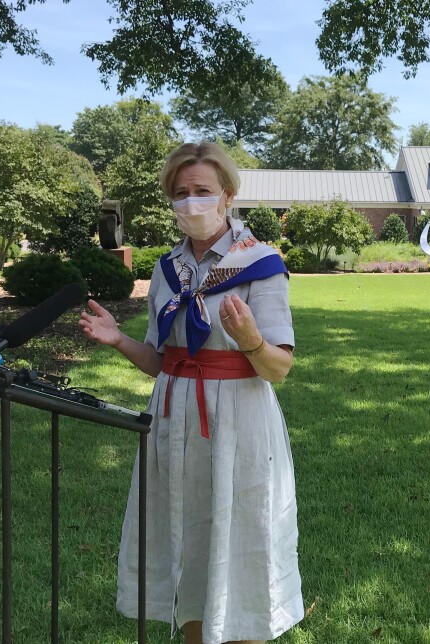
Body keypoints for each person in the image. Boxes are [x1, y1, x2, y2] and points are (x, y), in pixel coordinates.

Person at [79, 142, 303, 644]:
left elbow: (279, 369)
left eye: (202, 191)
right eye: (180, 193)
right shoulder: (166, 270)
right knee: (186, 542)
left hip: (239, 423)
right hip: (174, 422)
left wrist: (251, 341)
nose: (191, 202)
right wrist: (119, 340)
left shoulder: (261, 263)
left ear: (227, 195)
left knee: (242, 540)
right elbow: (161, 363)